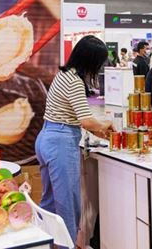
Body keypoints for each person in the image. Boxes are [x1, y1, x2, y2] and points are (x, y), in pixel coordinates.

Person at [35, 35, 114, 246]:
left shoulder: (63, 75)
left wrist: (98, 129)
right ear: (90, 61)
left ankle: (46, 243)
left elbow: (72, 115)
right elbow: (86, 121)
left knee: (50, 203)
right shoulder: (75, 82)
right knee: (68, 206)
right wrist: (105, 124)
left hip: (46, 137)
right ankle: (65, 245)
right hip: (61, 142)